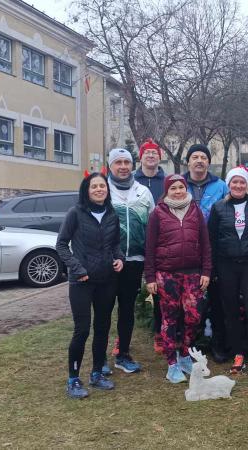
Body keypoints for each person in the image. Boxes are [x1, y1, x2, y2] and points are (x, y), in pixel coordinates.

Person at [56, 172, 124, 399]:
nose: (98, 189)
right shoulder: (76, 213)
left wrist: (119, 258)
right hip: (82, 282)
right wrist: (77, 269)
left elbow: (115, 244)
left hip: (107, 281)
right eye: (94, 186)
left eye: (102, 186)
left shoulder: (112, 214)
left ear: (107, 189)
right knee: (82, 330)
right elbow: (62, 245)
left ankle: (97, 373)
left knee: (103, 328)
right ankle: (73, 379)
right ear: (86, 190)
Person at [144, 174, 211, 383]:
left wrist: (207, 271)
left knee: (193, 316)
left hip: (193, 273)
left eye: (181, 187)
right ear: (167, 191)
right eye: (173, 188)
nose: (178, 191)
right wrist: (150, 277)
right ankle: (172, 362)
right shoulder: (158, 213)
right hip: (166, 275)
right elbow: (150, 247)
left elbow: (206, 243)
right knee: (169, 318)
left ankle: (184, 354)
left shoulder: (195, 210)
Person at [208, 166, 248, 379]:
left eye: (242, 182)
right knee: (231, 311)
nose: (239, 186)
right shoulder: (218, 208)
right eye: (234, 182)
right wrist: (212, 268)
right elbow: (211, 240)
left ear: (247, 184)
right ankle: (238, 354)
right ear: (229, 184)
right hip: (226, 265)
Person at [107, 148, 154, 374]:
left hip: (134, 261)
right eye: (119, 162)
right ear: (110, 166)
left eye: (127, 162)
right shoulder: (100, 189)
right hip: (106, 262)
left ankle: (123, 354)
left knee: (126, 310)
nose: (123, 166)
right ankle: (99, 360)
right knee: (104, 310)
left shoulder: (143, 192)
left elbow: (153, 227)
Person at [182, 143, 231, 363]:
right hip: (187, 251)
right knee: (190, 301)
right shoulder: (179, 185)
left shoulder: (220, 186)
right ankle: (189, 346)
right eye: (195, 157)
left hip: (216, 250)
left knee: (218, 300)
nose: (199, 160)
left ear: (209, 162)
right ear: (188, 162)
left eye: (203, 157)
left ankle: (219, 344)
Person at [133, 138, 167, 354]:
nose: (151, 156)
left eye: (155, 153)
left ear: (159, 157)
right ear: (141, 157)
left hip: (162, 244)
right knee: (129, 291)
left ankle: (159, 332)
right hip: (137, 243)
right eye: (147, 153)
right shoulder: (132, 180)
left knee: (160, 291)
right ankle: (122, 337)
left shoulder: (166, 181)